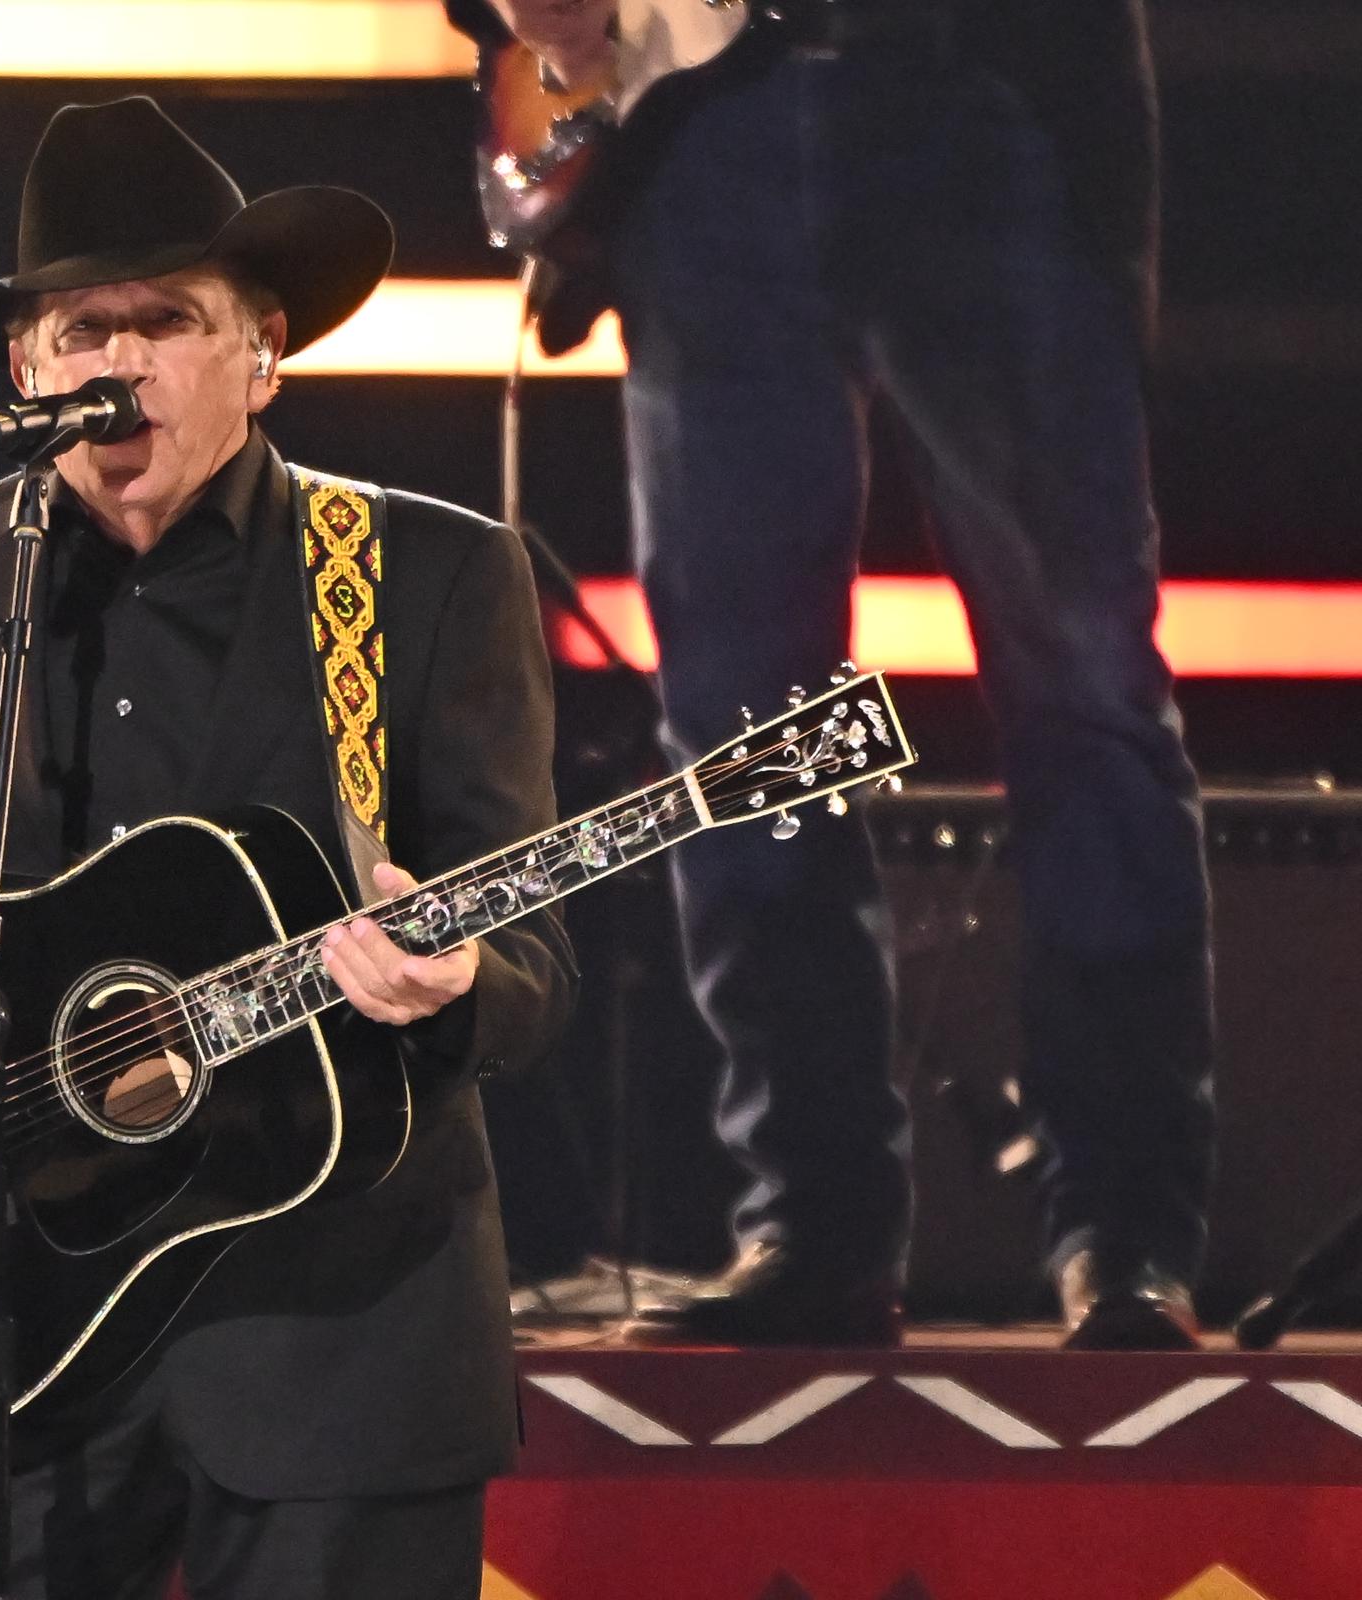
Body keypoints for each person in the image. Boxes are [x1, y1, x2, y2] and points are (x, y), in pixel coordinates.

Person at [0, 96, 575, 1599]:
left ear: (262, 348)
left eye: (162, 320)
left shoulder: (427, 574)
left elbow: (539, 955)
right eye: (72, 331)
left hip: (339, 1344)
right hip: (23, 1342)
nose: (115, 364)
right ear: (26, 368)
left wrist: (459, 976)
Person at [460, 0, 1213, 1348]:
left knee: (1079, 686)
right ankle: (812, 1220)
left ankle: (1127, 1228)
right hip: (705, 137)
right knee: (745, 724)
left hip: (979, 96)